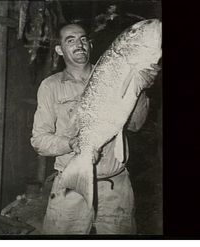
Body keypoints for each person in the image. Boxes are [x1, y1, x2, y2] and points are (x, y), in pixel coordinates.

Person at [30, 23, 159, 234]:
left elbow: (135, 125)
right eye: (70, 40)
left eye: (82, 39)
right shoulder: (50, 86)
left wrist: (141, 88)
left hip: (115, 186)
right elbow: (39, 141)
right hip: (70, 187)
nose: (79, 44)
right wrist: (72, 143)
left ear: (89, 44)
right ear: (59, 49)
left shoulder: (113, 73)